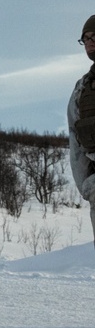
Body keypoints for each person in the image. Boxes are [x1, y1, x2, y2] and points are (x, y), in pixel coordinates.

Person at [67, 15, 95, 244]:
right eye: (85, 38)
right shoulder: (83, 88)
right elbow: (76, 142)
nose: (90, 42)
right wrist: (88, 186)